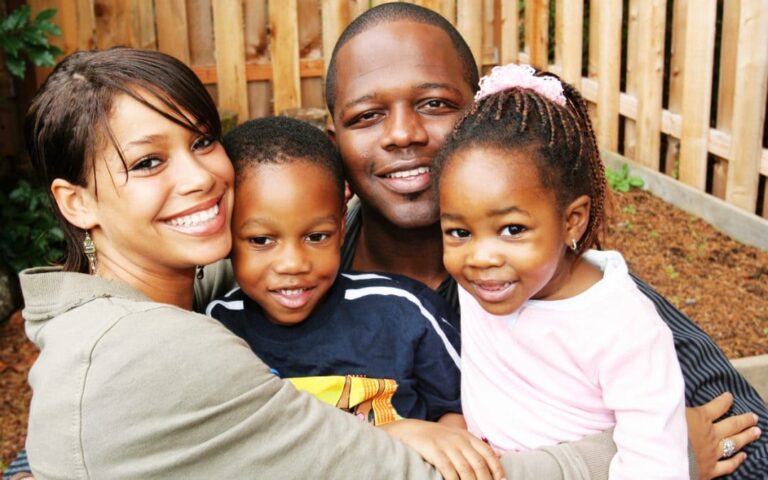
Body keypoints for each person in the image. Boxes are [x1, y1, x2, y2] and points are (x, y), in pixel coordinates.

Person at [14, 46, 634, 480]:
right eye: (149, 162)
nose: (199, 176)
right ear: (77, 202)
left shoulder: (176, 299)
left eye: (202, 141)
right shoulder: (165, 346)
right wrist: (629, 454)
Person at [325, 2, 766, 478]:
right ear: (335, 142)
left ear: (482, 118)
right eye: (367, 115)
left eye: (435, 104)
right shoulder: (291, 278)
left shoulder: (575, 294)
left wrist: (682, 454)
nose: (402, 134)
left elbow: (738, 433)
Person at [435, 63, 689, 477]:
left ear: (572, 221)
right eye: (459, 231)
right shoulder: (488, 282)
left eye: (512, 229)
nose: (480, 257)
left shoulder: (623, 327)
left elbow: (655, 464)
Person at [206, 116, 463, 426]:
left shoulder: (406, 311)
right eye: (261, 240)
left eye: (316, 237)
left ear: (341, 227)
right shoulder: (216, 330)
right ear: (227, 234)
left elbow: (461, 411)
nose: (293, 264)